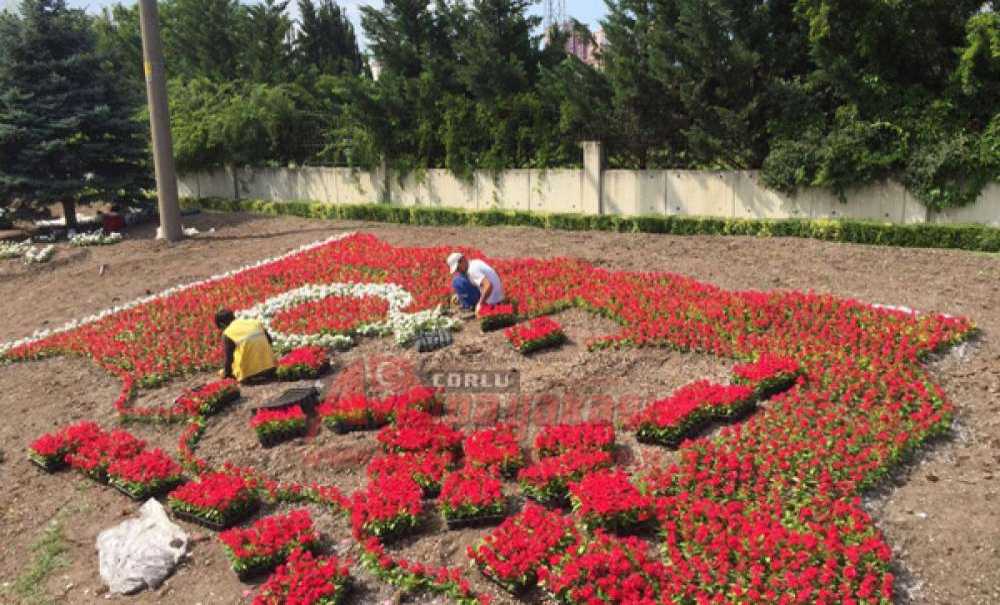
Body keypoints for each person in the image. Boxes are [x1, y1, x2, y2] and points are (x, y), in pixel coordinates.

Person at [215, 309, 276, 382]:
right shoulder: (254, 322)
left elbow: (229, 359)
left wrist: (226, 373)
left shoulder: (228, 333)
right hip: (270, 367)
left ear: (222, 324)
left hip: (248, 375)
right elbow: (269, 340)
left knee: (231, 367)